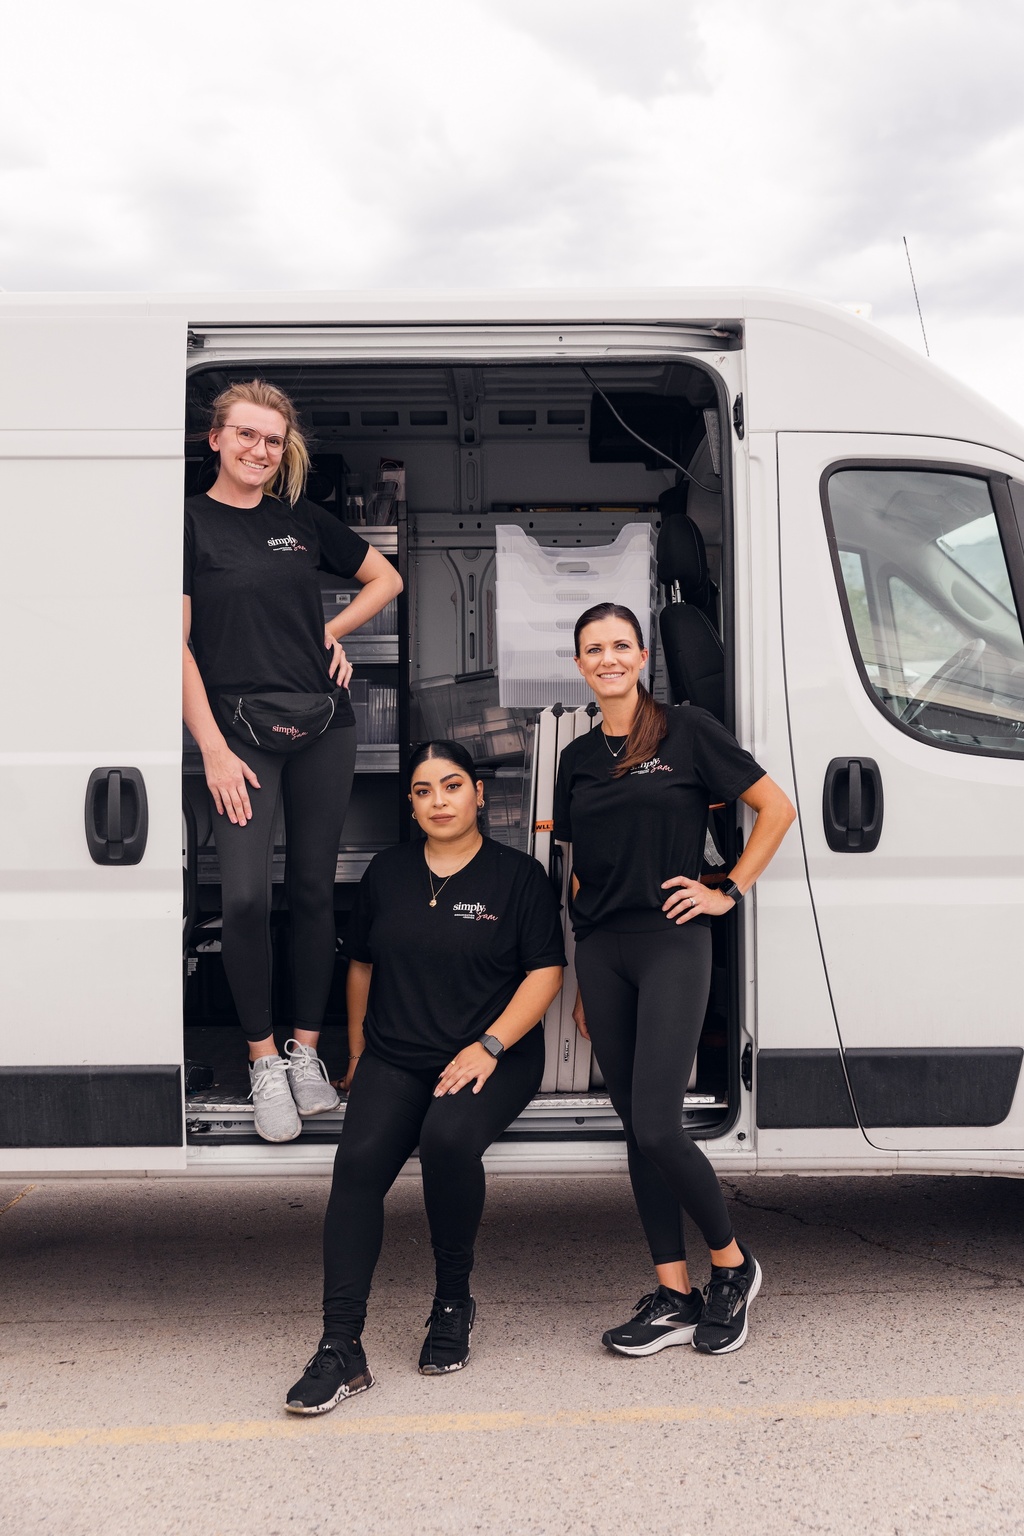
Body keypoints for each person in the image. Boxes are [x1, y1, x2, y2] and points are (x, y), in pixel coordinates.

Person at [285, 740, 565, 1414]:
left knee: (446, 1141)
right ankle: (340, 1345)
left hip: (491, 1054)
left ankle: (452, 1301)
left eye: (451, 786)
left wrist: (490, 1044)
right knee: (355, 1167)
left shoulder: (519, 877)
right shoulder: (386, 874)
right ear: (410, 805)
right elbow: (362, 966)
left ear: (477, 795)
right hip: (396, 1053)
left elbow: (545, 972)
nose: (438, 800)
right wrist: (357, 1052)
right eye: (423, 790)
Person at [555, 601, 796, 1357]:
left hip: (672, 944)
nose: (608, 659)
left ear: (642, 654)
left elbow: (776, 809)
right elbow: (576, 870)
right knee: (636, 1129)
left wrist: (726, 888)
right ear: (580, 665)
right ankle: (674, 1293)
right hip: (605, 951)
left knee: (659, 1122)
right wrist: (583, 967)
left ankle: (732, 1264)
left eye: (620, 645)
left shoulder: (687, 730)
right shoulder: (577, 757)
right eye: (594, 649)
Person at [182, 378, 403, 1142]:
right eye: (245, 435)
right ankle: (260, 1058)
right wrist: (210, 747)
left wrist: (330, 634)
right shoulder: (188, 525)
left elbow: (387, 577)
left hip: (322, 724)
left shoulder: (300, 522)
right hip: (236, 733)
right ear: (216, 439)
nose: (259, 450)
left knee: (314, 890)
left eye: (272, 441)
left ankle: (305, 1050)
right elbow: (173, 645)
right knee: (243, 898)